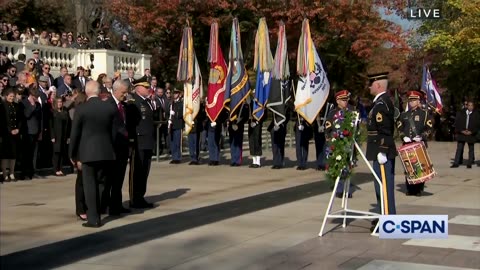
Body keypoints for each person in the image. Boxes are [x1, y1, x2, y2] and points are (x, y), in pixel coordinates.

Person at [69, 81, 116, 228]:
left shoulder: (82, 109)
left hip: (87, 153)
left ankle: (94, 218)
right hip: (106, 151)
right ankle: (100, 208)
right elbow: (114, 132)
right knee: (101, 183)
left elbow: (75, 133)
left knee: (90, 185)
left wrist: (72, 154)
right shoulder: (109, 108)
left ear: (86, 91)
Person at [366, 72, 397, 230]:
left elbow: (385, 129)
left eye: (371, 84)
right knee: (380, 185)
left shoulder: (381, 104)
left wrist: (383, 150)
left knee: (384, 185)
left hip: (381, 149)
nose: (369, 87)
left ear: (378, 85)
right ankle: (383, 214)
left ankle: (388, 220)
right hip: (378, 149)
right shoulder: (380, 102)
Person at [102, 80, 131, 215]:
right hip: (112, 148)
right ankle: (106, 205)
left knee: (119, 179)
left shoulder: (123, 106)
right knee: (109, 180)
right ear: (116, 90)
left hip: (122, 148)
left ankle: (116, 205)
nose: (125, 95)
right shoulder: (108, 105)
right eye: (123, 92)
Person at [397, 90, 433, 196]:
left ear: (418, 101)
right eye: (410, 100)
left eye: (414, 100)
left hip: (419, 144)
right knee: (409, 167)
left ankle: (419, 189)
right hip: (407, 144)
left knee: (419, 167)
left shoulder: (424, 114)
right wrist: (403, 137)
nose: (411, 102)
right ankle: (410, 188)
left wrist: (422, 136)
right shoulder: (404, 115)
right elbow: (399, 128)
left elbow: (429, 128)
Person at [126, 77, 155, 208]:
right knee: (136, 171)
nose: (148, 89)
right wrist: (132, 140)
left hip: (148, 140)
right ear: (138, 88)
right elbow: (131, 124)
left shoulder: (147, 102)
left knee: (144, 171)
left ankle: (141, 196)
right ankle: (134, 198)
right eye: (146, 87)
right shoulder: (133, 102)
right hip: (138, 141)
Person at [325, 90, 355, 198]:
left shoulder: (351, 112)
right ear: (337, 101)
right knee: (338, 166)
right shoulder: (333, 113)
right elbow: (328, 128)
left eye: (346, 99)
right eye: (343, 100)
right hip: (337, 143)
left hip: (349, 143)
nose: (345, 102)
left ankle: (347, 190)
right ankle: (339, 189)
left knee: (348, 166)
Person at [451, 101, 479, 168]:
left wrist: (471, 131)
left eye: (471, 105)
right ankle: (456, 163)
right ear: (467, 106)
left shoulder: (476, 114)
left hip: (471, 133)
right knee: (459, 148)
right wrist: (461, 131)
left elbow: (477, 125)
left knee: (471, 149)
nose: (470, 107)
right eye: (469, 105)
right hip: (462, 133)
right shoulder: (461, 113)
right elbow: (457, 123)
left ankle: (469, 163)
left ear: (473, 106)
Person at [1, 89, 21, 182]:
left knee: (13, 154)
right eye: (10, 96)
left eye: (13, 96)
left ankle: (12, 173)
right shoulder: (2, 106)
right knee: (5, 155)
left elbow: (20, 119)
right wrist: (10, 131)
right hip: (6, 134)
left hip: (15, 133)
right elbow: (3, 121)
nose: (12, 98)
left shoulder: (16, 106)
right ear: (6, 96)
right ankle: (5, 174)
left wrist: (18, 129)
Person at [50, 96, 70, 176]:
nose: (59, 103)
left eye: (60, 102)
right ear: (55, 103)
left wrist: (68, 136)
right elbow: (50, 125)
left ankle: (60, 169)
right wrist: (52, 136)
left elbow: (68, 124)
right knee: (56, 153)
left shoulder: (65, 111)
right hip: (56, 135)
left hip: (63, 135)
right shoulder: (52, 112)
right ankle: (55, 169)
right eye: (58, 102)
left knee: (62, 152)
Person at [169, 89, 184, 164]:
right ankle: (174, 157)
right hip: (171, 124)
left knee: (177, 142)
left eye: (176, 93)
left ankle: (178, 157)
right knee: (172, 142)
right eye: (174, 93)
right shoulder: (171, 102)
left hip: (178, 124)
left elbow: (181, 113)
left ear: (179, 94)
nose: (174, 95)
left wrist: (175, 113)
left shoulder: (181, 103)